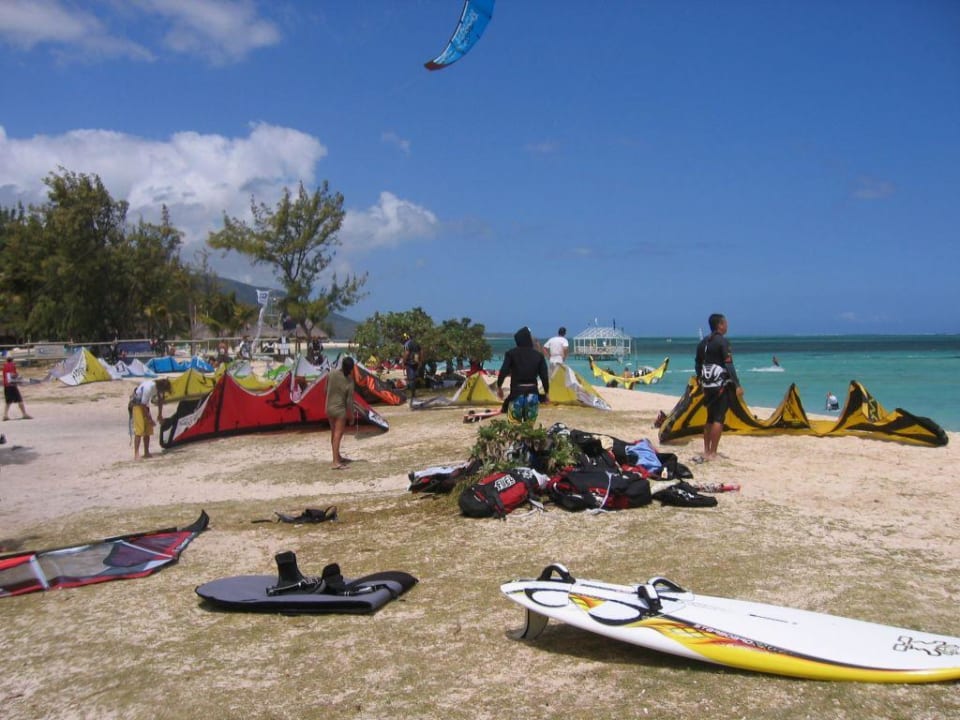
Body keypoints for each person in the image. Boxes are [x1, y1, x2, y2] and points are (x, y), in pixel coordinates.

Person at [694, 313, 742, 461]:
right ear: (720, 325)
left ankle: (706, 450)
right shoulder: (723, 342)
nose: (727, 325)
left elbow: (697, 364)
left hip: (707, 385)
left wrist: (701, 380)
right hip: (720, 385)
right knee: (719, 418)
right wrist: (737, 385)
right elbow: (729, 365)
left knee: (709, 417)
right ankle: (713, 453)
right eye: (725, 323)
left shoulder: (702, 343)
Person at [496, 326, 550, 423]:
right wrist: (546, 393)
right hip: (533, 395)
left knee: (514, 426)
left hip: (516, 394)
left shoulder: (511, 354)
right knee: (529, 428)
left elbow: (503, 370)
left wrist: (499, 387)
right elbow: (544, 376)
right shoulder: (539, 356)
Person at [130, 377, 171, 460]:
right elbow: (142, 405)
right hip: (137, 405)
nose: (163, 392)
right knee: (140, 429)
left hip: (144, 405)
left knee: (148, 430)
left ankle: (146, 452)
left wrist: (160, 415)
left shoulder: (158, 388)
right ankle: (136, 453)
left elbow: (160, 401)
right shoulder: (148, 388)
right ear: (160, 387)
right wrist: (150, 419)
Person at [326, 356, 355, 469]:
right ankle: (335, 462)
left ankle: (337, 456)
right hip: (339, 410)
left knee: (334, 433)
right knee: (338, 435)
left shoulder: (331, 373)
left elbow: (325, 389)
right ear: (351, 368)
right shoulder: (349, 381)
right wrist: (351, 416)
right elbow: (349, 401)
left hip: (329, 408)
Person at [2, 356, 32, 421]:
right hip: (12, 385)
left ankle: (5, 415)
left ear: (7, 360)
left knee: (8, 401)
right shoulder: (12, 365)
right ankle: (24, 414)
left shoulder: (4, 366)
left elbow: (7, 376)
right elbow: (12, 375)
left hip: (6, 385)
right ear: (12, 360)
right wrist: (19, 378)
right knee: (19, 400)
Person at [401, 332, 421, 408]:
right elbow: (421, 352)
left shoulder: (407, 344)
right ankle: (414, 394)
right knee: (414, 379)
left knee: (411, 379)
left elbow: (407, 353)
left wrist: (403, 362)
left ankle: (413, 395)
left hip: (410, 363)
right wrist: (420, 362)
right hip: (416, 362)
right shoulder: (416, 343)